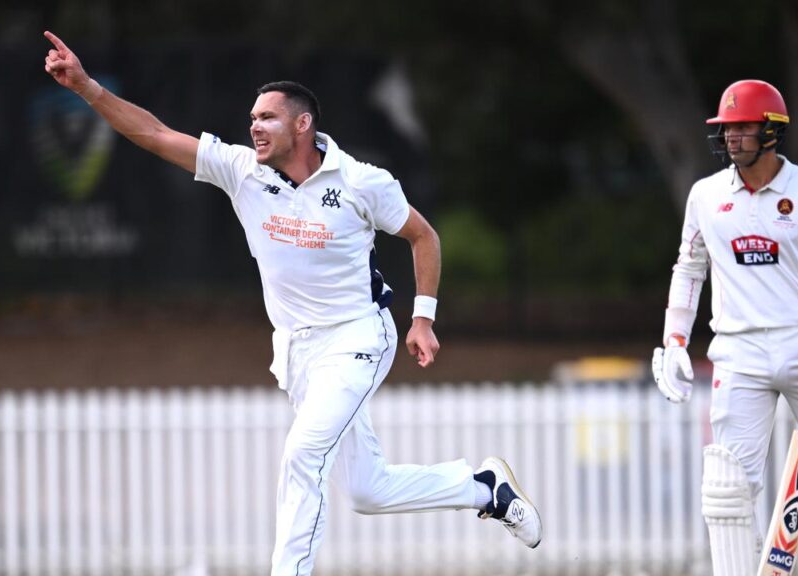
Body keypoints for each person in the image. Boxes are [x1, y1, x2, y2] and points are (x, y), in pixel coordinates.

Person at [42, 31, 542, 575]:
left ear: (302, 125)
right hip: (298, 351)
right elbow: (157, 135)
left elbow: (424, 237)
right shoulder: (242, 171)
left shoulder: (361, 181)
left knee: (303, 455)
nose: (254, 126)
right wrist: (88, 88)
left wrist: (423, 318)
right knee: (367, 491)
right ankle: (482, 489)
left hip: (357, 338)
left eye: (267, 118)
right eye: (252, 118)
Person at [651, 79, 798, 575]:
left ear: (771, 131)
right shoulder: (705, 195)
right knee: (729, 482)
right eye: (727, 128)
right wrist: (675, 338)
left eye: (742, 127)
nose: (732, 137)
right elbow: (689, 269)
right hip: (737, 352)